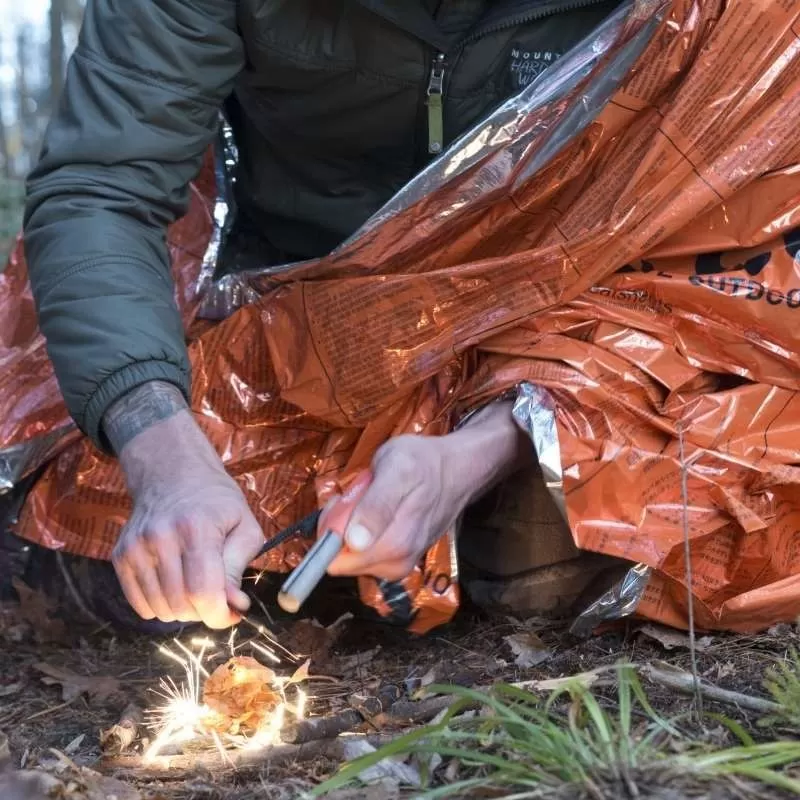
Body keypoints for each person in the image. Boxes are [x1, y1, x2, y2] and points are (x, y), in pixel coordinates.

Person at [17, 0, 622, 632]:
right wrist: (163, 459)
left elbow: (697, 228)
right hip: (297, 305)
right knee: (118, 538)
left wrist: (489, 449)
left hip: (567, 302)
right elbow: (101, 190)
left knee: (579, 528)